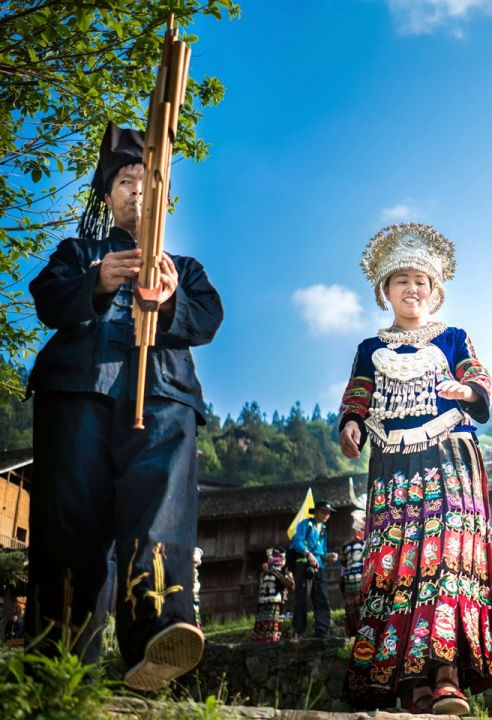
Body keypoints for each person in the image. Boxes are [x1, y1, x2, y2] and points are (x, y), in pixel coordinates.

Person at [25, 122, 223, 691]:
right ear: (109, 196)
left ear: (164, 198)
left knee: (159, 508)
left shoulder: (184, 268)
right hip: (78, 393)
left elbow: (207, 318)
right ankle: (59, 663)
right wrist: (95, 281)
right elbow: (46, 300)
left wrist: (169, 301)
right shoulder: (78, 252)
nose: (137, 191)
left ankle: (159, 637)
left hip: (161, 394)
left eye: (148, 182)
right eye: (126, 181)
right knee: (72, 523)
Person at [339, 223, 492, 714]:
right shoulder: (370, 348)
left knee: (448, 558)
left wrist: (466, 392)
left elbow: (478, 378)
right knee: (399, 564)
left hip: (450, 459)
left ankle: (448, 676)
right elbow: (358, 394)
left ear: (435, 290)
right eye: (401, 280)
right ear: (384, 291)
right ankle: (410, 684)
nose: (412, 288)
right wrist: (350, 424)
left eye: (421, 281)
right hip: (394, 466)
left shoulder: (453, 337)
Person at [290, 500, 339, 639]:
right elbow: (297, 542)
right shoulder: (305, 524)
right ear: (316, 511)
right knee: (302, 599)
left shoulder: (323, 530)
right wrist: (308, 554)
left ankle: (322, 632)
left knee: (322, 598)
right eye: (323, 511)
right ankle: (298, 632)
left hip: (320, 567)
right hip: (305, 565)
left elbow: (322, 552)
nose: (326, 515)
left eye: (328, 513)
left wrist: (328, 556)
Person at [340, 478, 367, 638]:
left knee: (353, 608)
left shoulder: (347, 544)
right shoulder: (369, 541)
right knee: (363, 607)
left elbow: (342, 566)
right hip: (362, 580)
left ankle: (356, 633)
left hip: (350, 580)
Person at [251, 548, 295, 643]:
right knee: (261, 622)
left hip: (275, 600)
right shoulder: (263, 571)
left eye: (282, 558)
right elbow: (258, 584)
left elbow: (291, 586)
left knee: (273, 623)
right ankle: (259, 640)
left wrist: (282, 574)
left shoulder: (284, 571)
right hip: (263, 601)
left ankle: (272, 640)